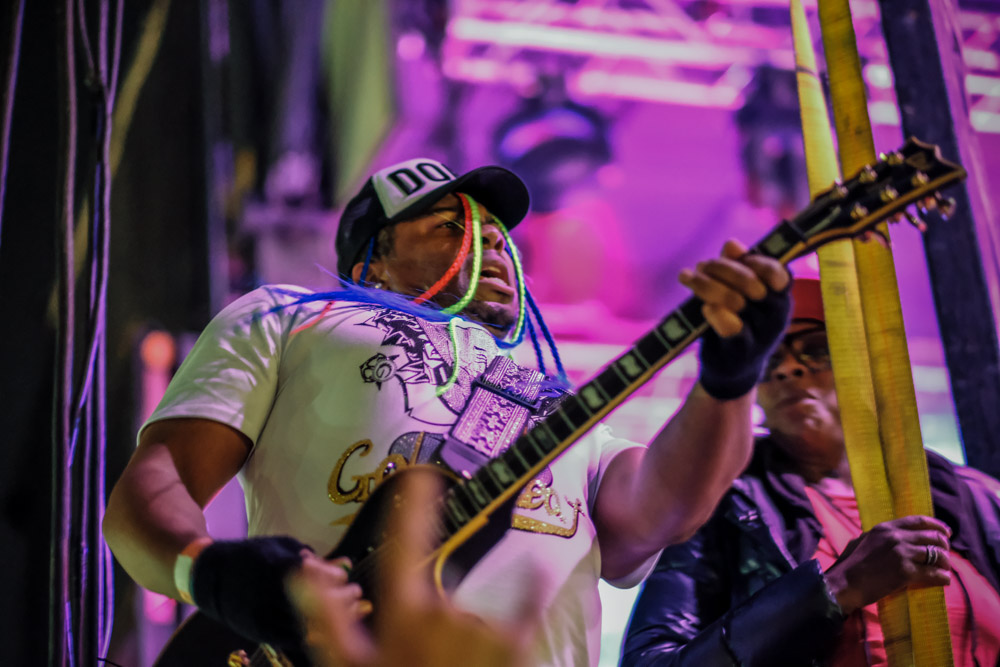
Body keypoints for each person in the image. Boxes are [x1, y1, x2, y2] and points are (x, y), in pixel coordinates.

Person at [102, 156, 792, 666]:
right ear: (371, 263)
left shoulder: (553, 398)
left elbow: (657, 510)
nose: (493, 243)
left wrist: (730, 381)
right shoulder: (289, 317)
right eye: (447, 227)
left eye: (498, 236)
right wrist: (210, 572)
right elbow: (154, 485)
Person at [621, 277, 1000, 667]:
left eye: (817, 350)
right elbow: (649, 661)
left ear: (867, 367)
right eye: (769, 359)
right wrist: (837, 587)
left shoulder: (977, 499)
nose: (788, 369)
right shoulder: (722, 508)